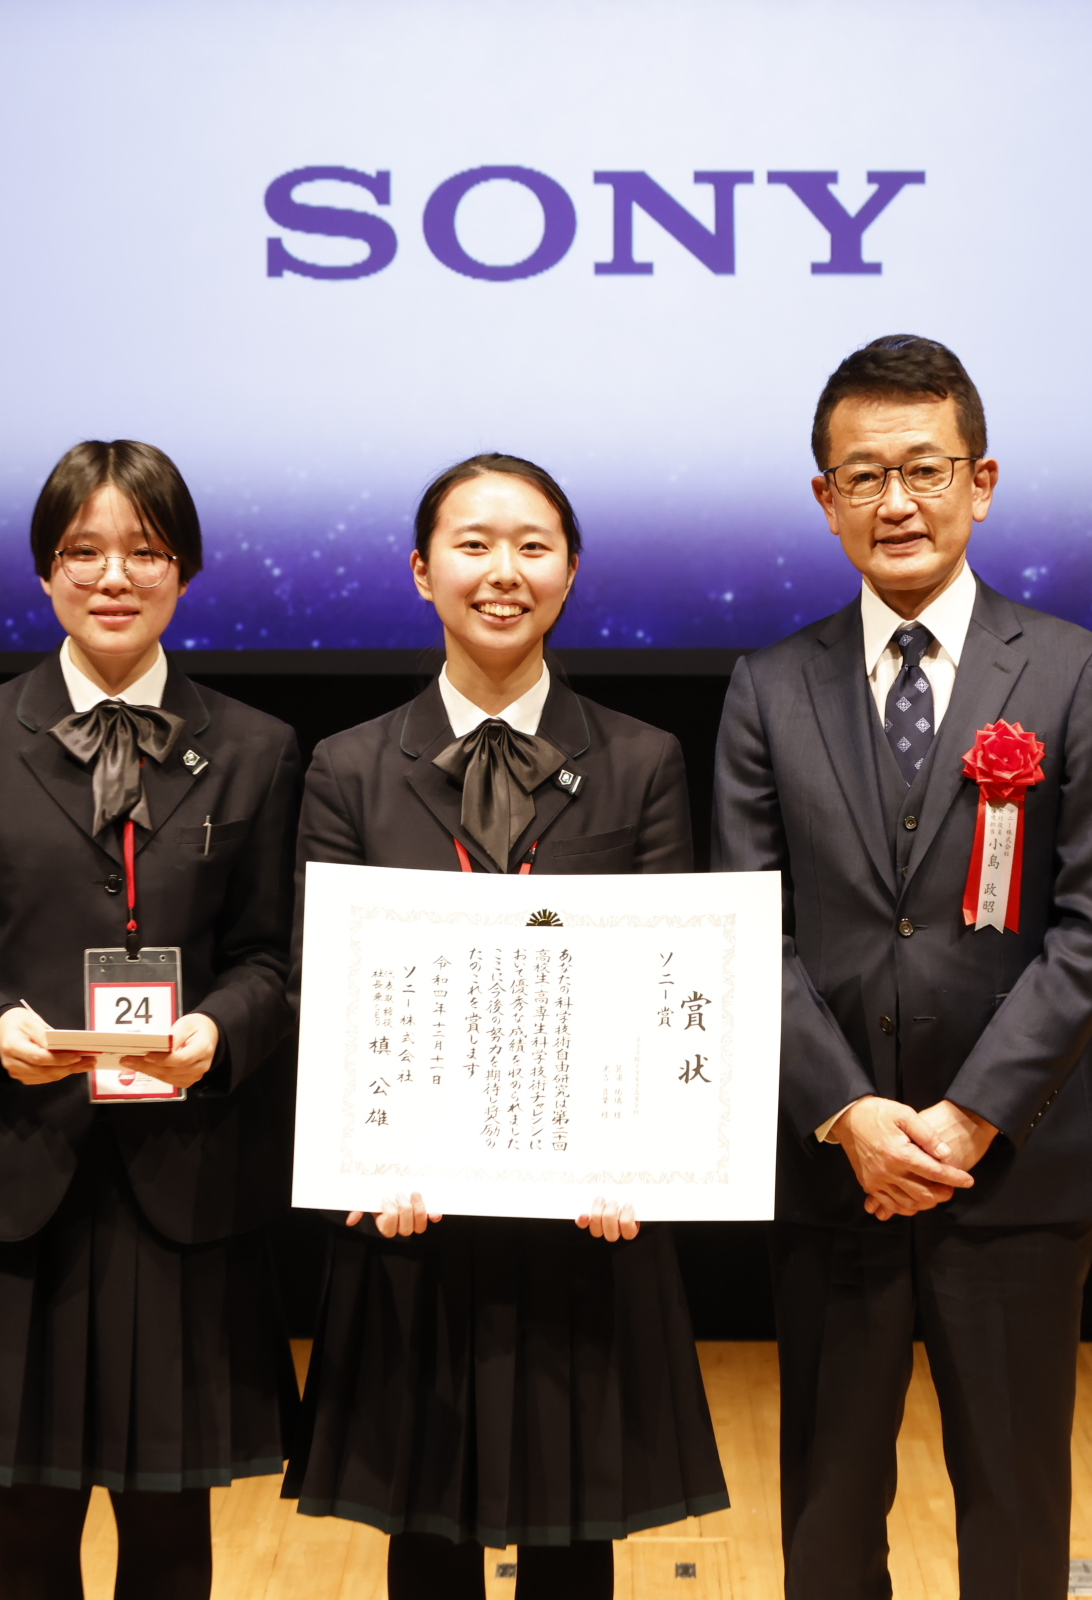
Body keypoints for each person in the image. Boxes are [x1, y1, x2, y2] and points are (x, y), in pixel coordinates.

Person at [711, 337, 1092, 1600]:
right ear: (825, 497)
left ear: (981, 481)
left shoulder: (1072, 670)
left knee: (1015, 1508)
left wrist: (966, 1117)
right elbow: (746, 927)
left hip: (1014, 1169)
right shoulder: (768, 686)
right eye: (864, 475)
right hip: (835, 1169)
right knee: (828, 1516)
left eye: (925, 469)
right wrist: (850, 1113)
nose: (895, 501)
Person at [284, 453, 729, 1600]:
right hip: (412, 1218)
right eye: (473, 544)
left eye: (533, 546)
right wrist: (365, 1156)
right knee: (425, 1537)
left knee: (575, 1542)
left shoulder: (641, 761)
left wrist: (639, 1159)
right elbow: (320, 987)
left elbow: (665, 975)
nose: (503, 571)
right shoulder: (347, 767)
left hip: (584, 1224)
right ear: (421, 570)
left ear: (570, 572)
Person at [0, 440, 303, 1600]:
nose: (114, 577)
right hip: (15, 1176)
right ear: (45, 569)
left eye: (145, 551)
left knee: (170, 1523)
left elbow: (275, 959)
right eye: (83, 551)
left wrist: (221, 1030)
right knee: (26, 1522)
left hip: (185, 1176)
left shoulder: (257, 747)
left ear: (186, 569)